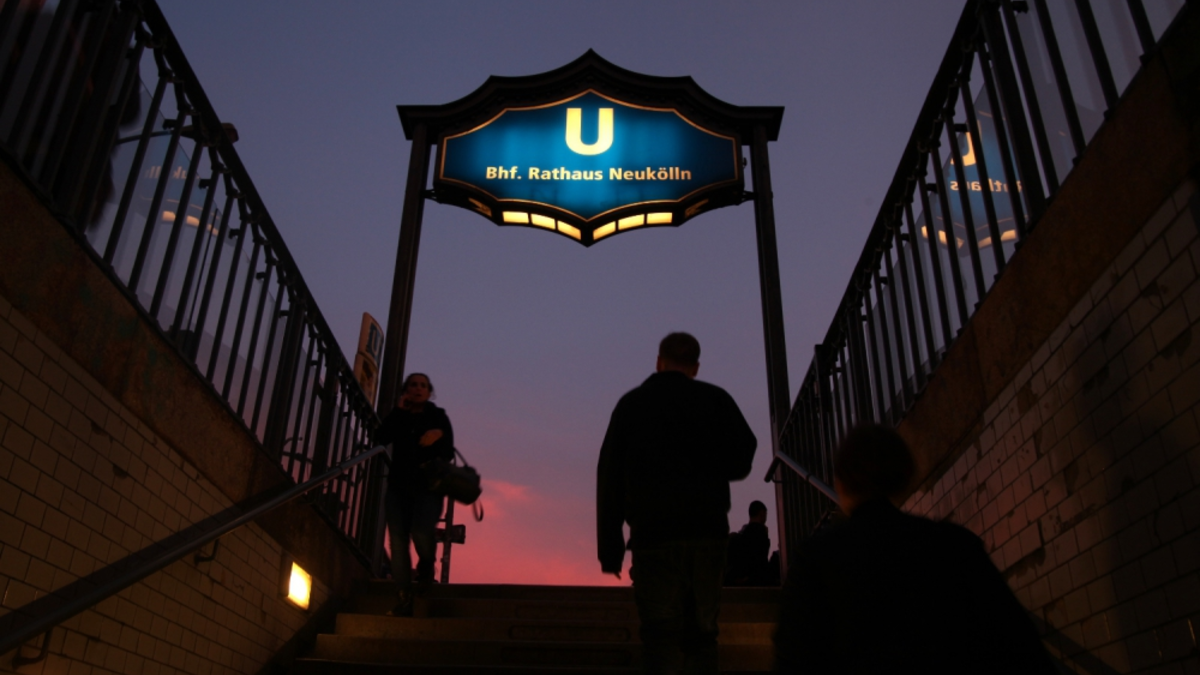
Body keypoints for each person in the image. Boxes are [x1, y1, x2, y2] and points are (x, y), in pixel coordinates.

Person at [774, 424, 1058, 674]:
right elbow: (1019, 648)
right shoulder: (954, 546)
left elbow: (794, 659)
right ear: (904, 473)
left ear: (841, 481)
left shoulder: (816, 559)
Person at [597, 332, 757, 674]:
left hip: (653, 535)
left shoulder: (632, 405)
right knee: (702, 636)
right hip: (707, 533)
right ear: (696, 367)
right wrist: (711, 467)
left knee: (659, 637)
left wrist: (610, 549)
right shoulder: (717, 400)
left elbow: (609, 477)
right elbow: (743, 456)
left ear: (659, 362)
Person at [374, 373, 454, 617]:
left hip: (428, 488)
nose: (418, 389)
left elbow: (448, 452)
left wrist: (438, 435)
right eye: (413, 385)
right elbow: (379, 438)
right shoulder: (399, 417)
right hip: (398, 487)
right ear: (405, 390)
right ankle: (404, 598)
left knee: (421, 532)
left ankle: (427, 567)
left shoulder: (437, 416)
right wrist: (398, 411)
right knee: (398, 544)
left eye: (422, 385)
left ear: (429, 391)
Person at [724, 501, 771, 587]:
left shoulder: (739, 536)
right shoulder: (761, 533)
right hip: (755, 582)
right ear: (762, 513)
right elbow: (761, 559)